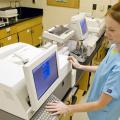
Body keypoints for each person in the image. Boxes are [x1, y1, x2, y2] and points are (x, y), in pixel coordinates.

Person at [46, 2, 120, 120]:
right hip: (96, 112)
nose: (106, 34)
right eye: (106, 28)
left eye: (111, 30)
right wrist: (81, 66)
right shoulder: (114, 47)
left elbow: (101, 104)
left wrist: (67, 108)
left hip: (103, 115)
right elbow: (104, 69)